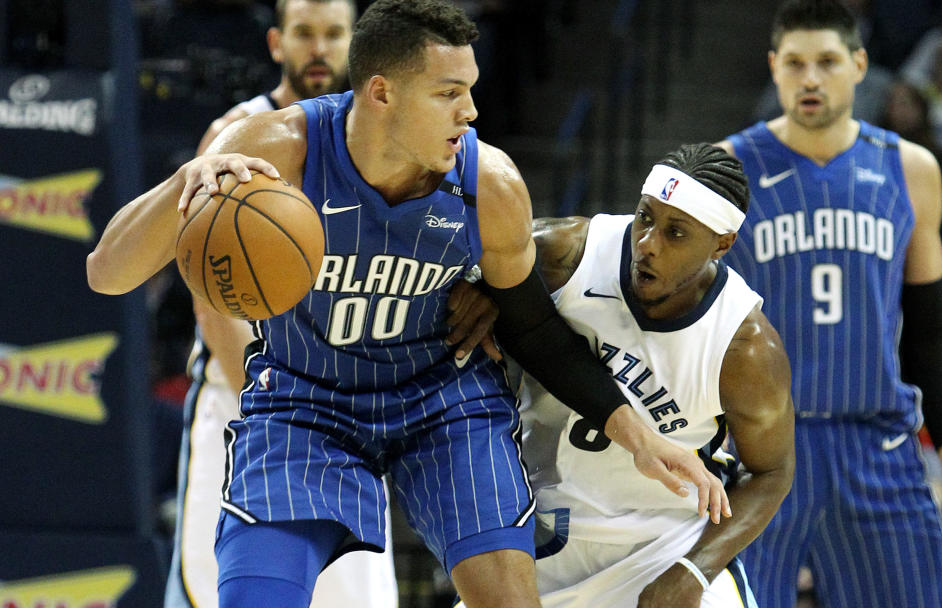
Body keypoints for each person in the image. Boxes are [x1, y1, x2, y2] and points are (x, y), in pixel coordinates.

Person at [86, 1, 729, 607]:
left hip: (442, 404)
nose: (471, 112)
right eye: (449, 93)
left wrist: (639, 436)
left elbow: (535, 328)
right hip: (305, 400)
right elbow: (106, 274)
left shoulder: (492, 185)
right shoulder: (277, 148)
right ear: (383, 92)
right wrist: (185, 185)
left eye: (470, 90)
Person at [717, 1, 942, 606]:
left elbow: (928, 335)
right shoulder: (725, 168)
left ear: (859, 65)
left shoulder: (911, 170)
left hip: (875, 443)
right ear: (774, 68)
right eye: (795, 63)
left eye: (827, 61)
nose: (810, 78)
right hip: (761, 448)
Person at [162, 1, 399, 607]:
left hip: (342, 409)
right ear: (276, 42)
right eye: (304, 34)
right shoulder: (234, 136)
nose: (318, 49)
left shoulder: (381, 139)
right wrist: (272, 409)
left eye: (333, 34)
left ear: (356, 44)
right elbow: (213, 304)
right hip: (244, 404)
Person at [516, 144, 793, 608]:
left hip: (664, 546)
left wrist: (693, 571)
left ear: (721, 244)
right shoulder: (566, 255)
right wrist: (488, 291)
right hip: (539, 535)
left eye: (676, 233)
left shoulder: (744, 348)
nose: (647, 244)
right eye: (645, 217)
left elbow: (772, 471)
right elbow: (470, 263)